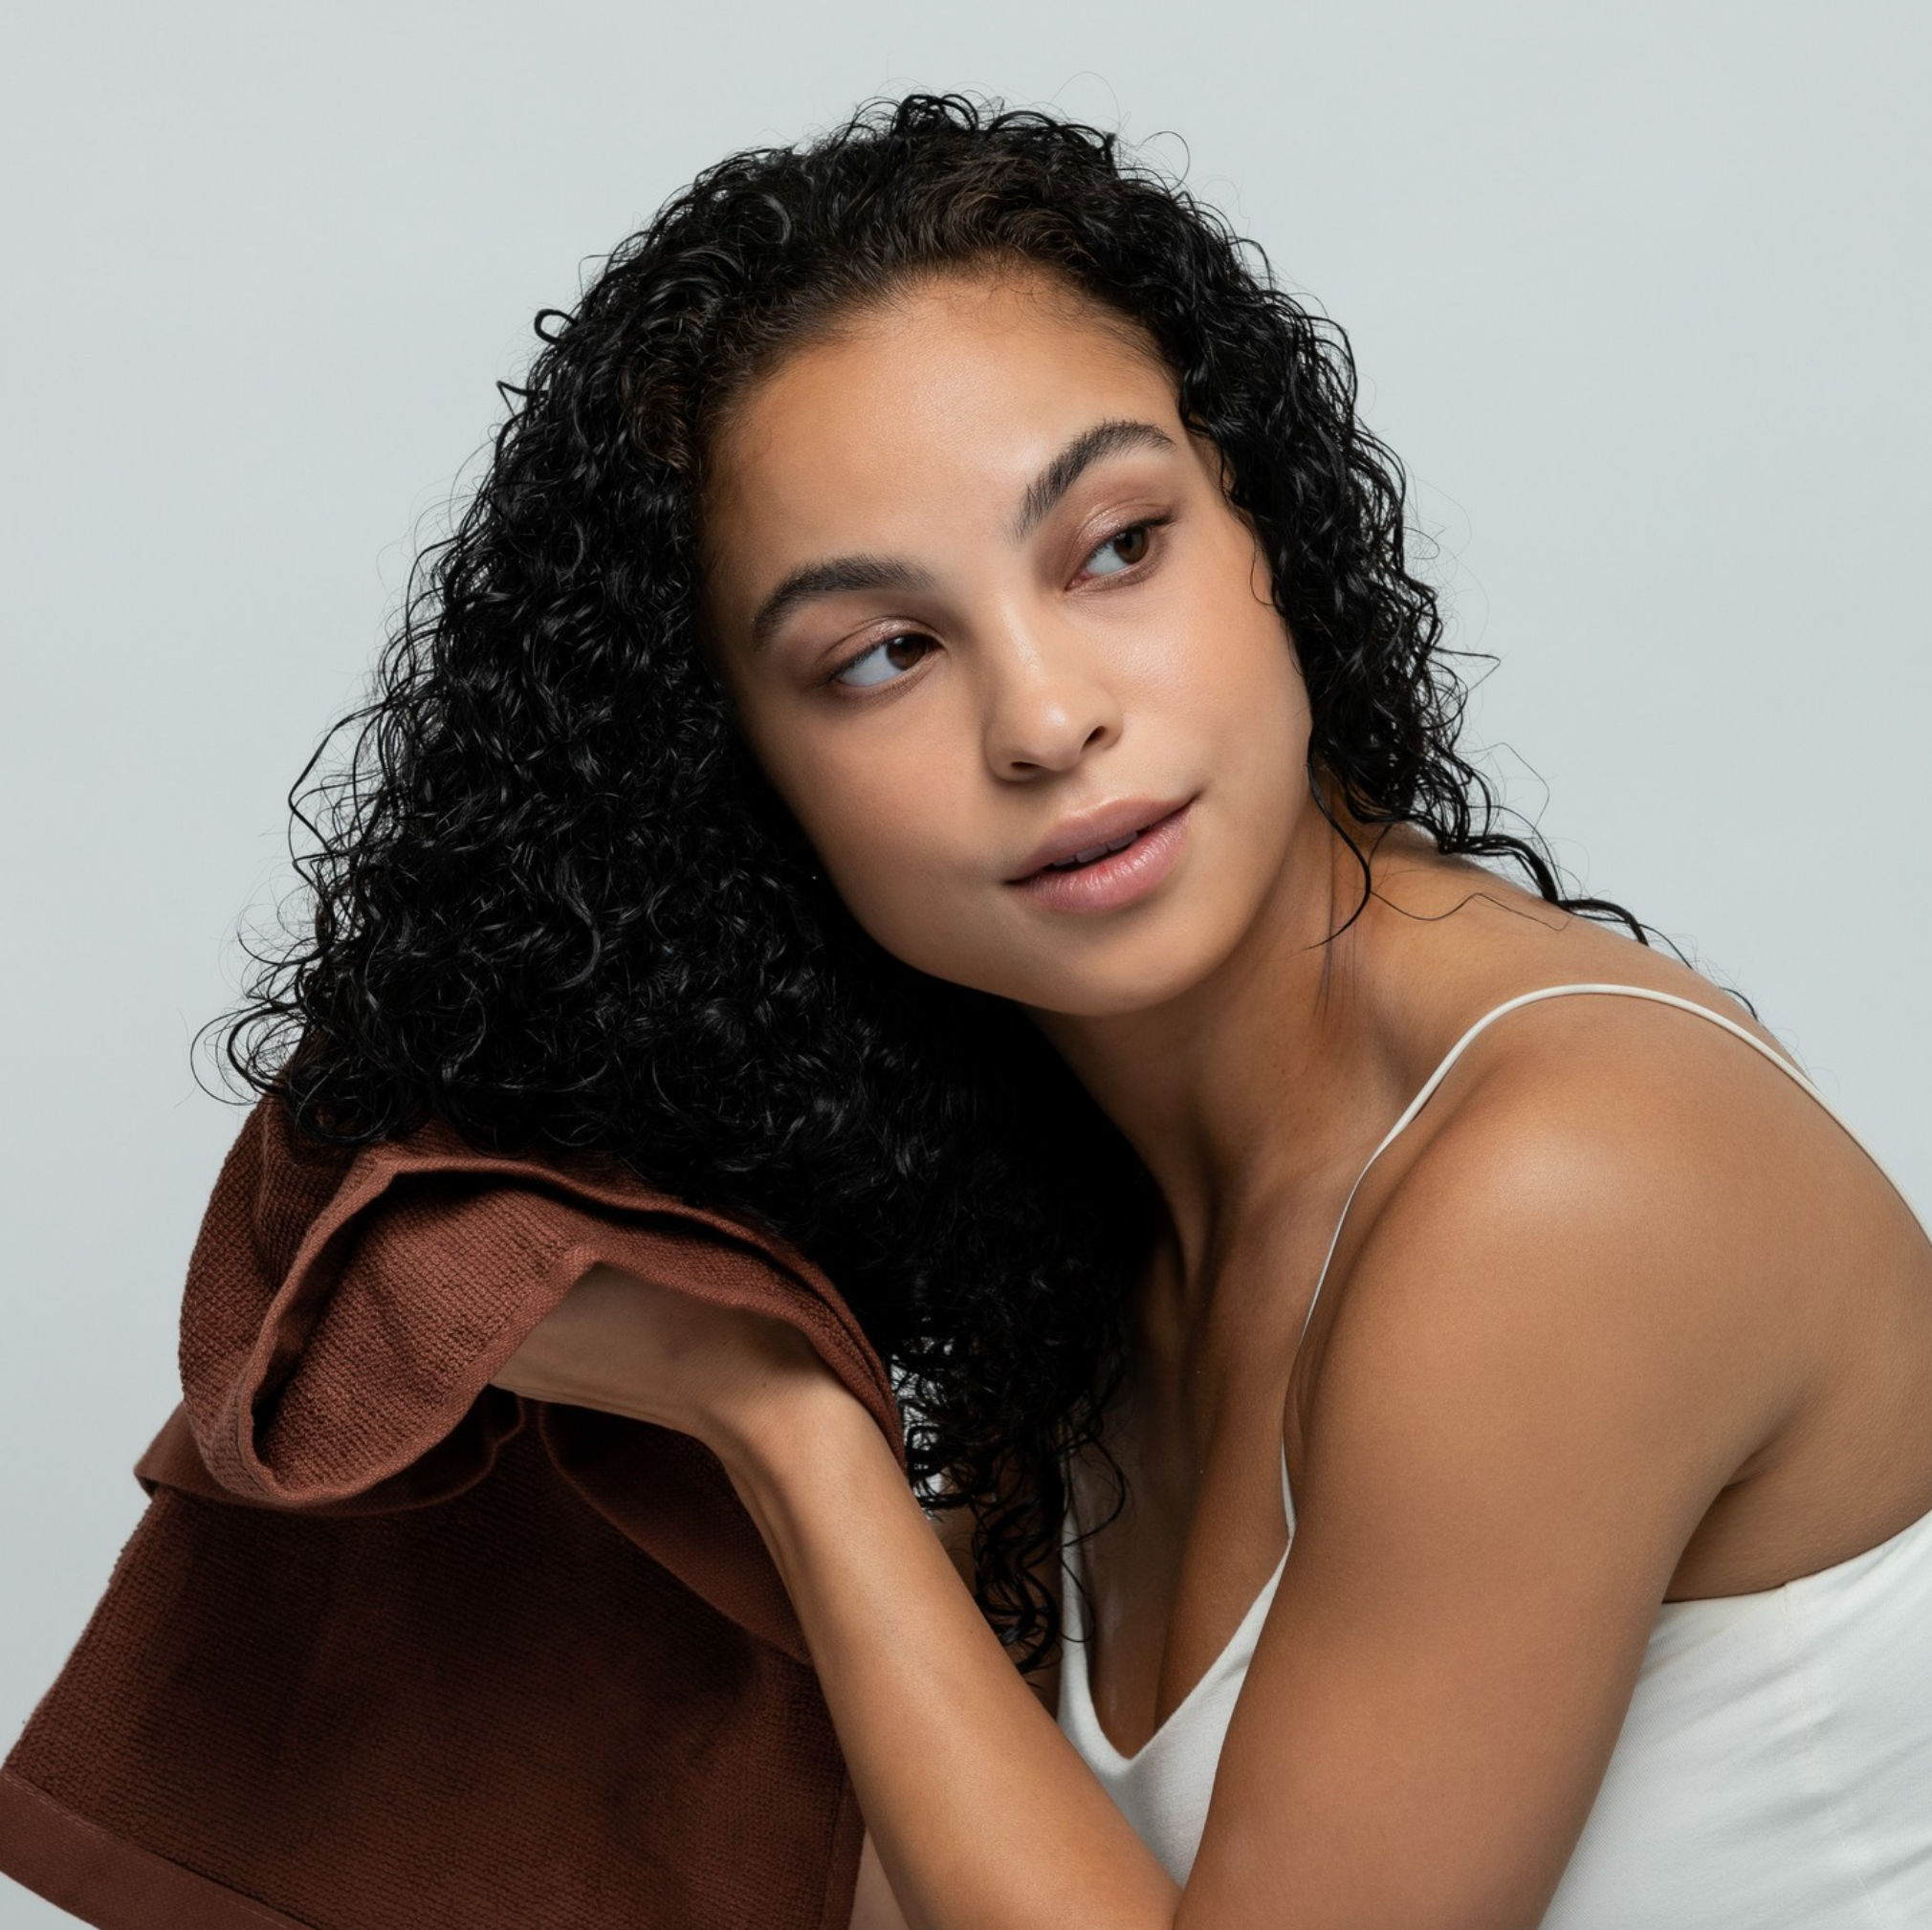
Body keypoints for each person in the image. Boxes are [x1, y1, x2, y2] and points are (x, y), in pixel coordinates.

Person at [226, 93, 1932, 1928]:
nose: (1044, 719)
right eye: (883, 653)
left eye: (1115, 545)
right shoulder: (1088, 1205)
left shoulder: (1564, 1187)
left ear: (1267, 526)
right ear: (743, 791)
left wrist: (786, 1429)